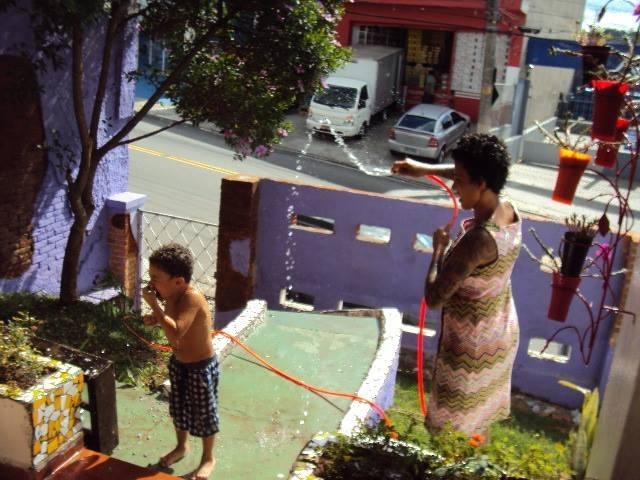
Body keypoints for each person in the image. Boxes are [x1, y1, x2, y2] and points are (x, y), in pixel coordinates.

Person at [391, 133, 521, 437]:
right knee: (477, 422)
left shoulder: (477, 240)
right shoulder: (509, 210)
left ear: (481, 184)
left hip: (470, 349)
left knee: (447, 431)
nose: (453, 187)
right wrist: (423, 169)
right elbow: (473, 172)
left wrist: (437, 249)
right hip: (499, 331)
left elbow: (435, 298)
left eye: (459, 180)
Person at [142, 243, 218, 480]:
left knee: (204, 413)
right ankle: (182, 446)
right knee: (179, 410)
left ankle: (208, 458)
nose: (152, 283)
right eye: (150, 276)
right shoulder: (170, 295)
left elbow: (176, 332)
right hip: (179, 363)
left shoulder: (191, 298)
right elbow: (170, 321)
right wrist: (156, 318)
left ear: (179, 281)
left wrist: (155, 305)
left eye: (156, 278)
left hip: (201, 366)